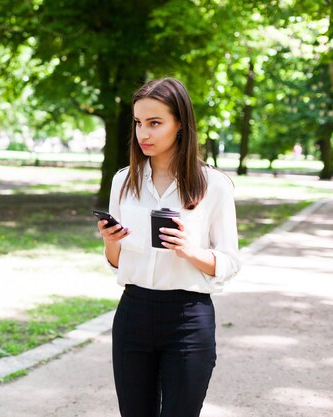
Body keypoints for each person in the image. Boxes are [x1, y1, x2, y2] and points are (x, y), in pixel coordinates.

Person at [97, 77, 240, 417]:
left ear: (180, 124)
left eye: (155, 123)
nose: (142, 133)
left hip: (188, 319)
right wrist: (109, 241)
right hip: (133, 313)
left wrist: (190, 250)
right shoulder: (123, 181)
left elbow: (230, 262)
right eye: (138, 123)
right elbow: (117, 262)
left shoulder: (214, 186)